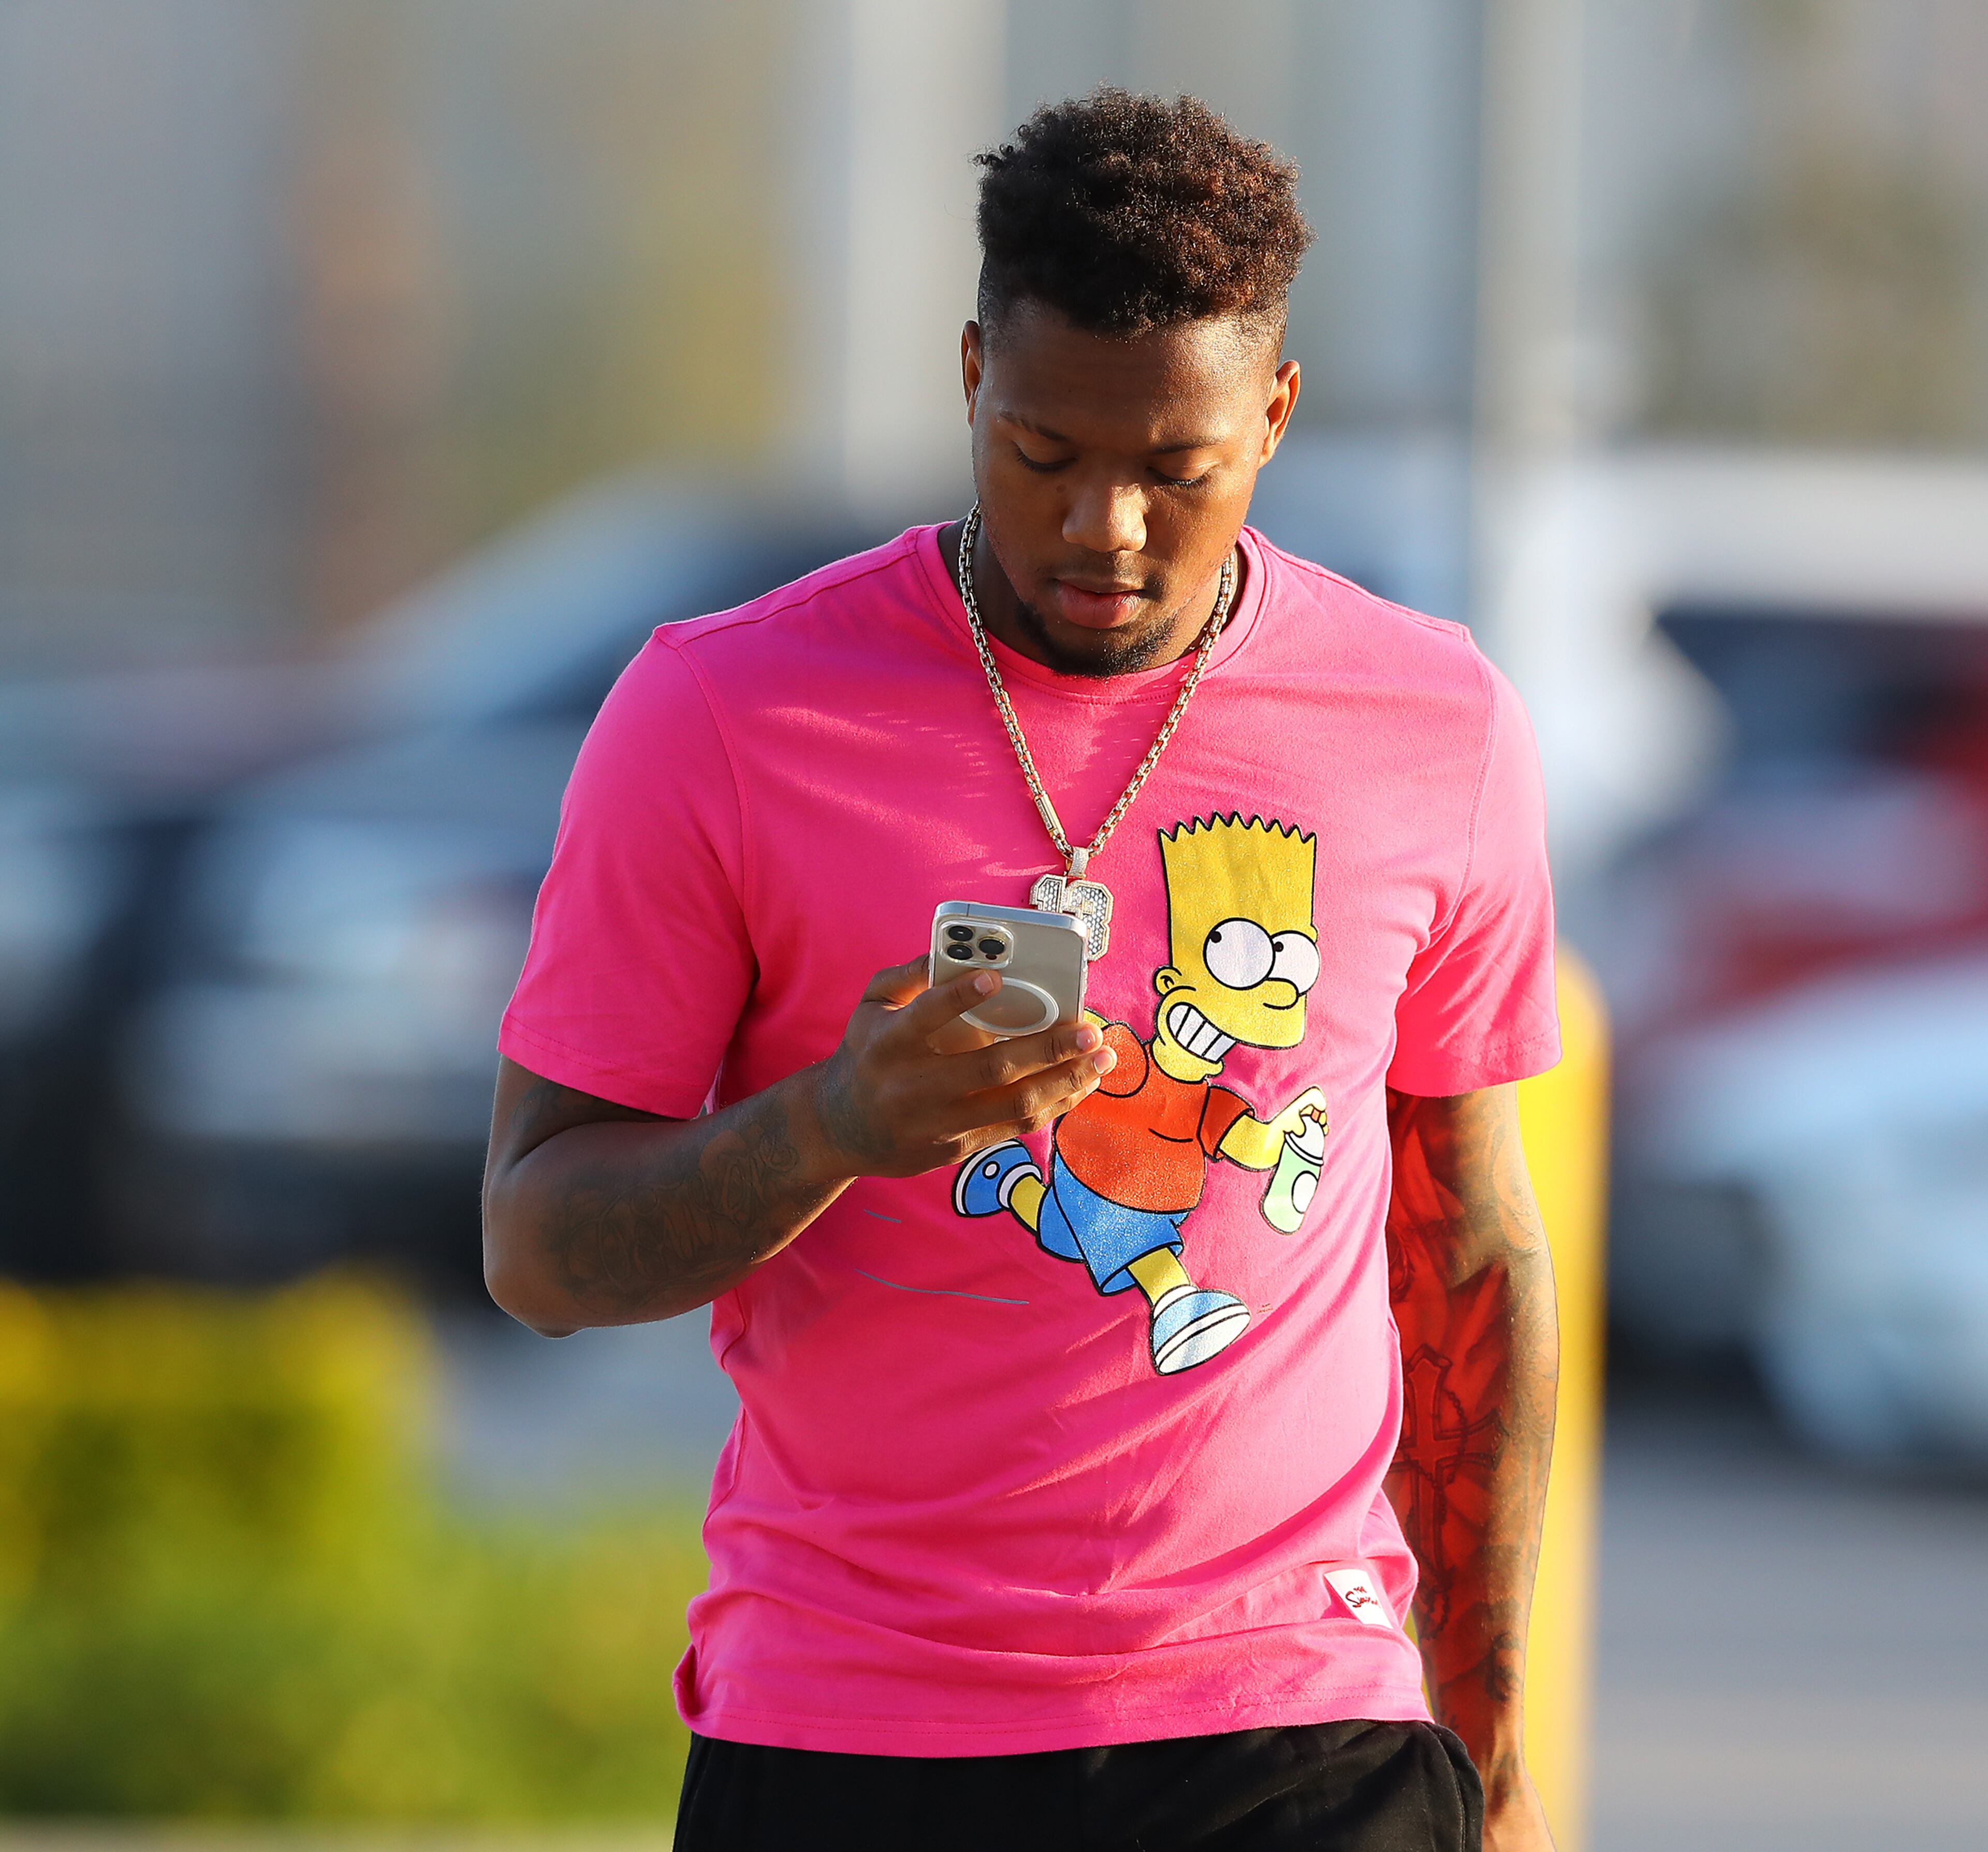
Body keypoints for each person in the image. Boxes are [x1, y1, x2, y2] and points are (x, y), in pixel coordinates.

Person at [483, 89, 1562, 1852]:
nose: (1106, 531)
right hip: (854, 1730)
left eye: (1175, 471)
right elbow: (537, 1249)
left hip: (1300, 1725)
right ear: (973, 372)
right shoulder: (722, 714)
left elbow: (1466, 1248)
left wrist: (1496, 1749)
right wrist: (829, 1121)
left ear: (1275, 414)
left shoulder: (1431, 723)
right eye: (1045, 454)